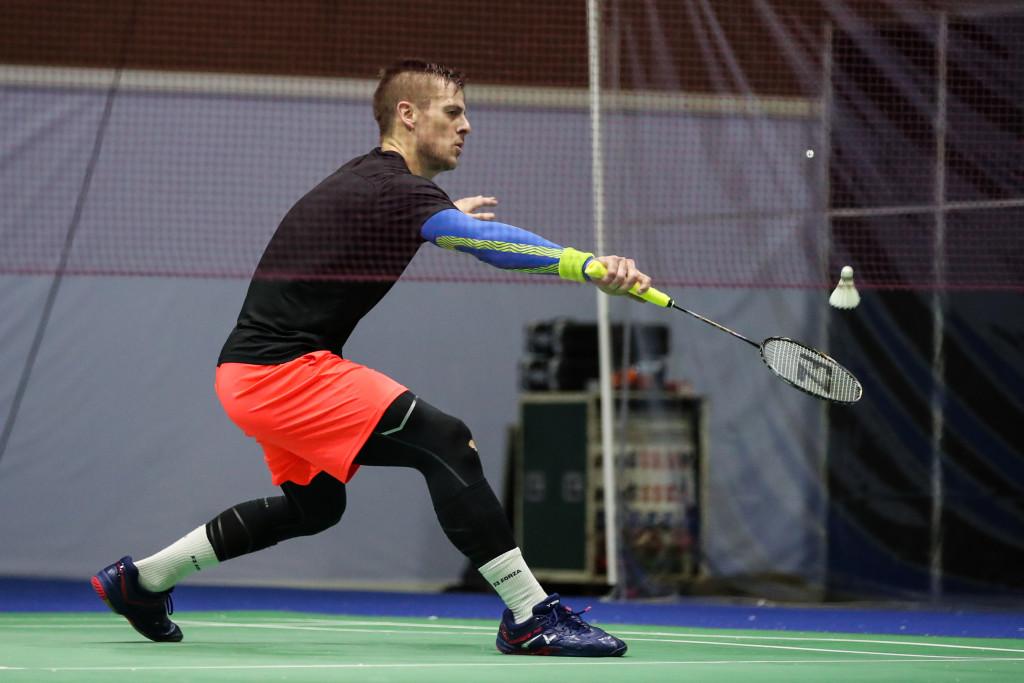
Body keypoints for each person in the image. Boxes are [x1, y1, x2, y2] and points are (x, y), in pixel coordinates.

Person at [91, 59, 651, 657]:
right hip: (284, 373)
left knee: (315, 506)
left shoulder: (377, 186)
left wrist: (435, 218)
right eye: (453, 112)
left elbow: (384, 224)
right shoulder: (396, 190)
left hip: (248, 375)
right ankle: (530, 615)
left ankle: (141, 581)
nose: (467, 127)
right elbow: (489, 245)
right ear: (407, 115)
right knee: (445, 441)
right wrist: (586, 264)